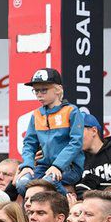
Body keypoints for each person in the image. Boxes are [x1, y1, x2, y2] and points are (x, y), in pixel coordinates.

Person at [16, 68, 84, 196]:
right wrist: (27, 166)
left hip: (70, 166)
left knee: (47, 184)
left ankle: (69, 205)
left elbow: (76, 143)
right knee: (21, 183)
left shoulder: (72, 111)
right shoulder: (36, 115)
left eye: (44, 90)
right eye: (36, 91)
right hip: (44, 167)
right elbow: (29, 143)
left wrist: (58, 166)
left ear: (58, 89)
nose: (39, 94)